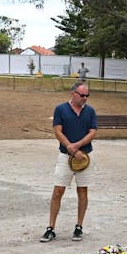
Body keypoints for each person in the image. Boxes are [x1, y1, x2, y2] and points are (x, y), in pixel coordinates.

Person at [41, 80, 97, 242]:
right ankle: (50, 227)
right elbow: (57, 131)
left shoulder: (90, 111)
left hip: (85, 156)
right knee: (58, 191)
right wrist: (69, 147)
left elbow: (93, 132)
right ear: (73, 94)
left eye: (87, 95)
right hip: (65, 156)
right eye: (82, 95)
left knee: (82, 191)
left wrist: (77, 147)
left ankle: (79, 227)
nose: (85, 98)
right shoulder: (61, 109)